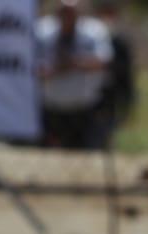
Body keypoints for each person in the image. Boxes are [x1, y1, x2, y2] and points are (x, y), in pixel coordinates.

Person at [36, 0, 113, 150]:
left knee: (84, 153)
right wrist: (56, 69)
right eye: (64, 13)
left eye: (71, 13)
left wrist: (72, 64)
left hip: (85, 108)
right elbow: (31, 66)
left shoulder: (94, 31)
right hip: (50, 108)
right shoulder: (42, 31)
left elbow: (103, 61)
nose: (67, 17)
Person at [94, 0, 136, 136]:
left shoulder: (120, 42)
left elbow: (126, 74)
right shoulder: (90, 38)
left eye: (110, 13)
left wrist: (127, 100)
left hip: (112, 95)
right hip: (91, 95)